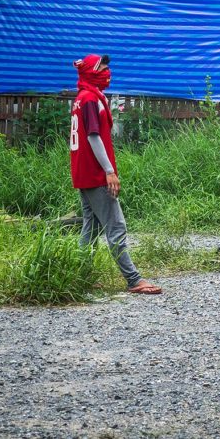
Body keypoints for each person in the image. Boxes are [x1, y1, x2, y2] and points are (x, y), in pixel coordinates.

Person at [70, 53, 161, 295]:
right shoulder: (89, 98)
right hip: (95, 173)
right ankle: (134, 280)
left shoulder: (83, 97)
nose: (107, 71)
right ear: (90, 72)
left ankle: (80, 277)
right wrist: (109, 171)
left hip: (84, 172)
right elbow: (93, 136)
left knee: (91, 229)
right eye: (102, 67)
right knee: (116, 226)